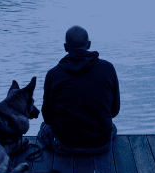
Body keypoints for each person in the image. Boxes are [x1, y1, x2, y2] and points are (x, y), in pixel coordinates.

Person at [37, 25, 120, 155]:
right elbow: (114, 111)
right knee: (112, 127)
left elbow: (48, 118)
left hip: (66, 144)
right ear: (89, 44)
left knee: (44, 128)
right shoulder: (108, 68)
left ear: (65, 47)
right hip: (101, 144)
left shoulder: (53, 74)